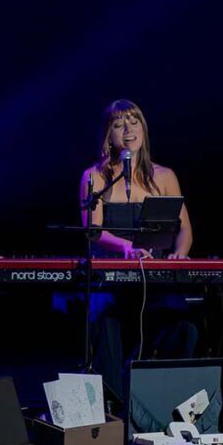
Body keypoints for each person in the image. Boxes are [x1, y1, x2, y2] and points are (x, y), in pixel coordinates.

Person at [79, 99, 198, 402]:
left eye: (134, 121)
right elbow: (94, 232)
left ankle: (155, 400)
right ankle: (112, 407)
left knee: (184, 327)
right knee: (106, 322)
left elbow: (184, 227)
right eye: (119, 124)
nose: (128, 128)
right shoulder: (95, 177)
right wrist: (126, 248)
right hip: (110, 283)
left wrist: (179, 255)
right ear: (108, 135)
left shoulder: (164, 176)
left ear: (143, 128)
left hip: (154, 281)